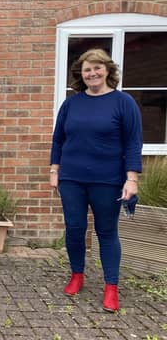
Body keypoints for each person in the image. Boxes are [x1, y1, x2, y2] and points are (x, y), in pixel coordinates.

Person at [50, 49, 142, 313]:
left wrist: (131, 178)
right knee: (75, 228)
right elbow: (59, 140)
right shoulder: (71, 104)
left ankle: (111, 287)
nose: (92, 73)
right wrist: (54, 171)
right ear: (82, 74)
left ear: (107, 70)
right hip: (72, 178)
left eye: (97, 68)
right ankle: (77, 275)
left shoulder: (124, 103)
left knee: (106, 232)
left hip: (108, 180)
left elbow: (133, 143)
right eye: (87, 69)